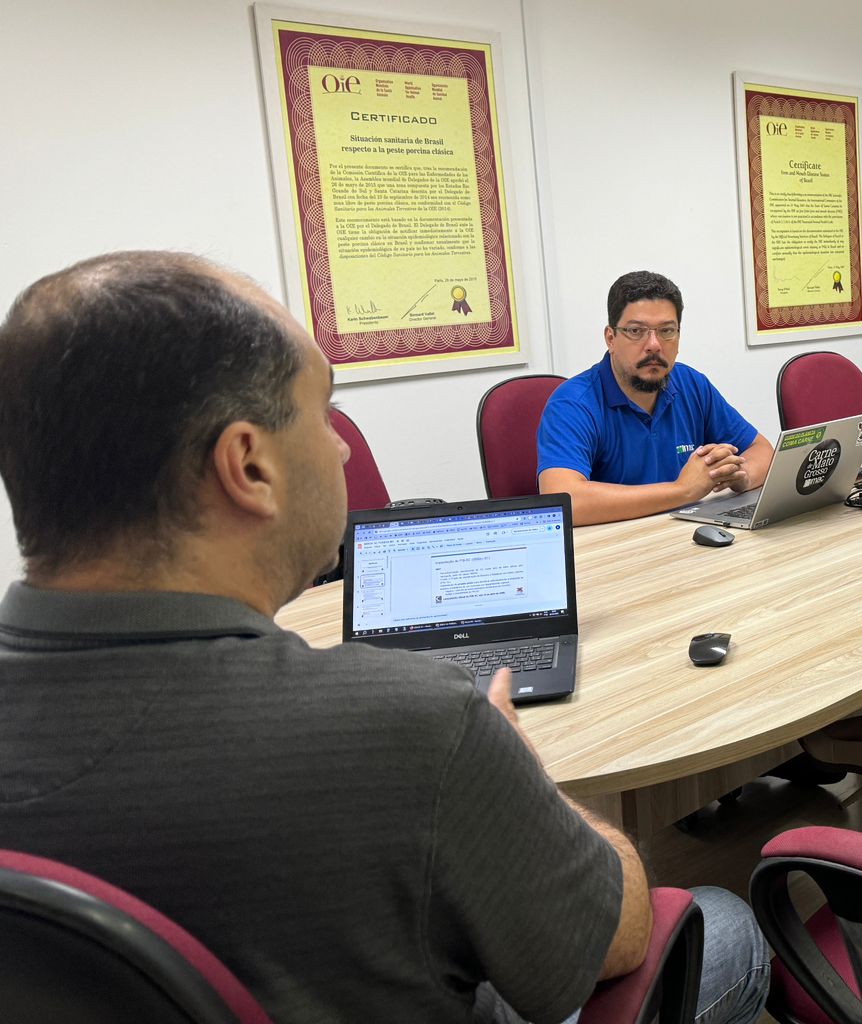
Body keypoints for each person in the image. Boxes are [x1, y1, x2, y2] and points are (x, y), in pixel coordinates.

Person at [0, 252, 768, 1024]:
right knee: (729, 924)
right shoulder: (415, 723)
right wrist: (523, 779)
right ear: (248, 466)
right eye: (322, 415)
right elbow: (610, 938)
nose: (341, 450)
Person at [538, 271, 775, 525]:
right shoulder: (573, 403)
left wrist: (741, 476)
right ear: (610, 338)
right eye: (636, 331)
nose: (654, 344)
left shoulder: (691, 384)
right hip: (617, 543)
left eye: (666, 331)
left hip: (682, 534)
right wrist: (682, 490)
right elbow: (563, 500)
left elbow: (762, 451)